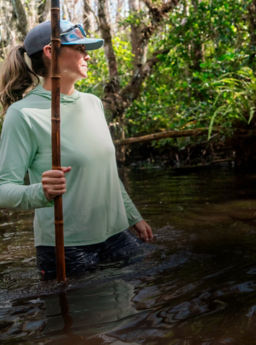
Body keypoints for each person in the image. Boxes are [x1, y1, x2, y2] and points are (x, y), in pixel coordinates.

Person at [0, 20, 153, 280]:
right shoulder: (22, 114)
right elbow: (3, 189)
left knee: (128, 316)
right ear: (51, 51)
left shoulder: (93, 104)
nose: (87, 55)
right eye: (79, 48)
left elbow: (107, 173)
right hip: (67, 247)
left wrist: (132, 216)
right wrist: (40, 192)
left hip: (117, 235)